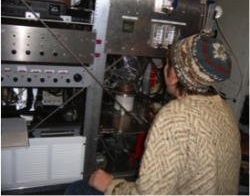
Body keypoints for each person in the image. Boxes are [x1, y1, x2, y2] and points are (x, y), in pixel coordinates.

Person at [64, 33, 241, 195]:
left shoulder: (175, 116)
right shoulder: (224, 108)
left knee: (77, 188)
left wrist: (110, 185)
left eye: (167, 64)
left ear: (173, 75)